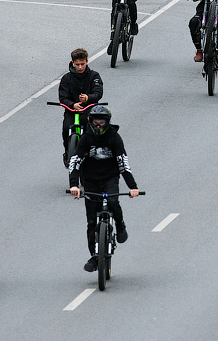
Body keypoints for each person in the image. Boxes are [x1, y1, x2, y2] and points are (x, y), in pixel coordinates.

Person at [68, 106, 139, 272]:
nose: (98, 126)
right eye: (95, 123)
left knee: (113, 201)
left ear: (107, 123)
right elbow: (75, 162)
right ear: (90, 122)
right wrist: (74, 185)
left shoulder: (114, 138)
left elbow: (123, 163)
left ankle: (120, 225)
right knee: (92, 221)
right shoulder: (86, 138)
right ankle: (95, 256)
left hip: (110, 179)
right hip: (91, 181)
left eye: (102, 123)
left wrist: (133, 187)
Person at [59, 48, 104, 165]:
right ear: (73, 63)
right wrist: (72, 104)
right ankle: (67, 152)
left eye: (82, 64)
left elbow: (98, 93)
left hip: (88, 109)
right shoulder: (66, 78)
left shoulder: (94, 76)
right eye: (77, 64)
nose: (80, 67)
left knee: (93, 129)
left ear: (87, 62)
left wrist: (88, 98)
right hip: (72, 110)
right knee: (65, 128)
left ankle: (93, 152)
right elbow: (63, 97)